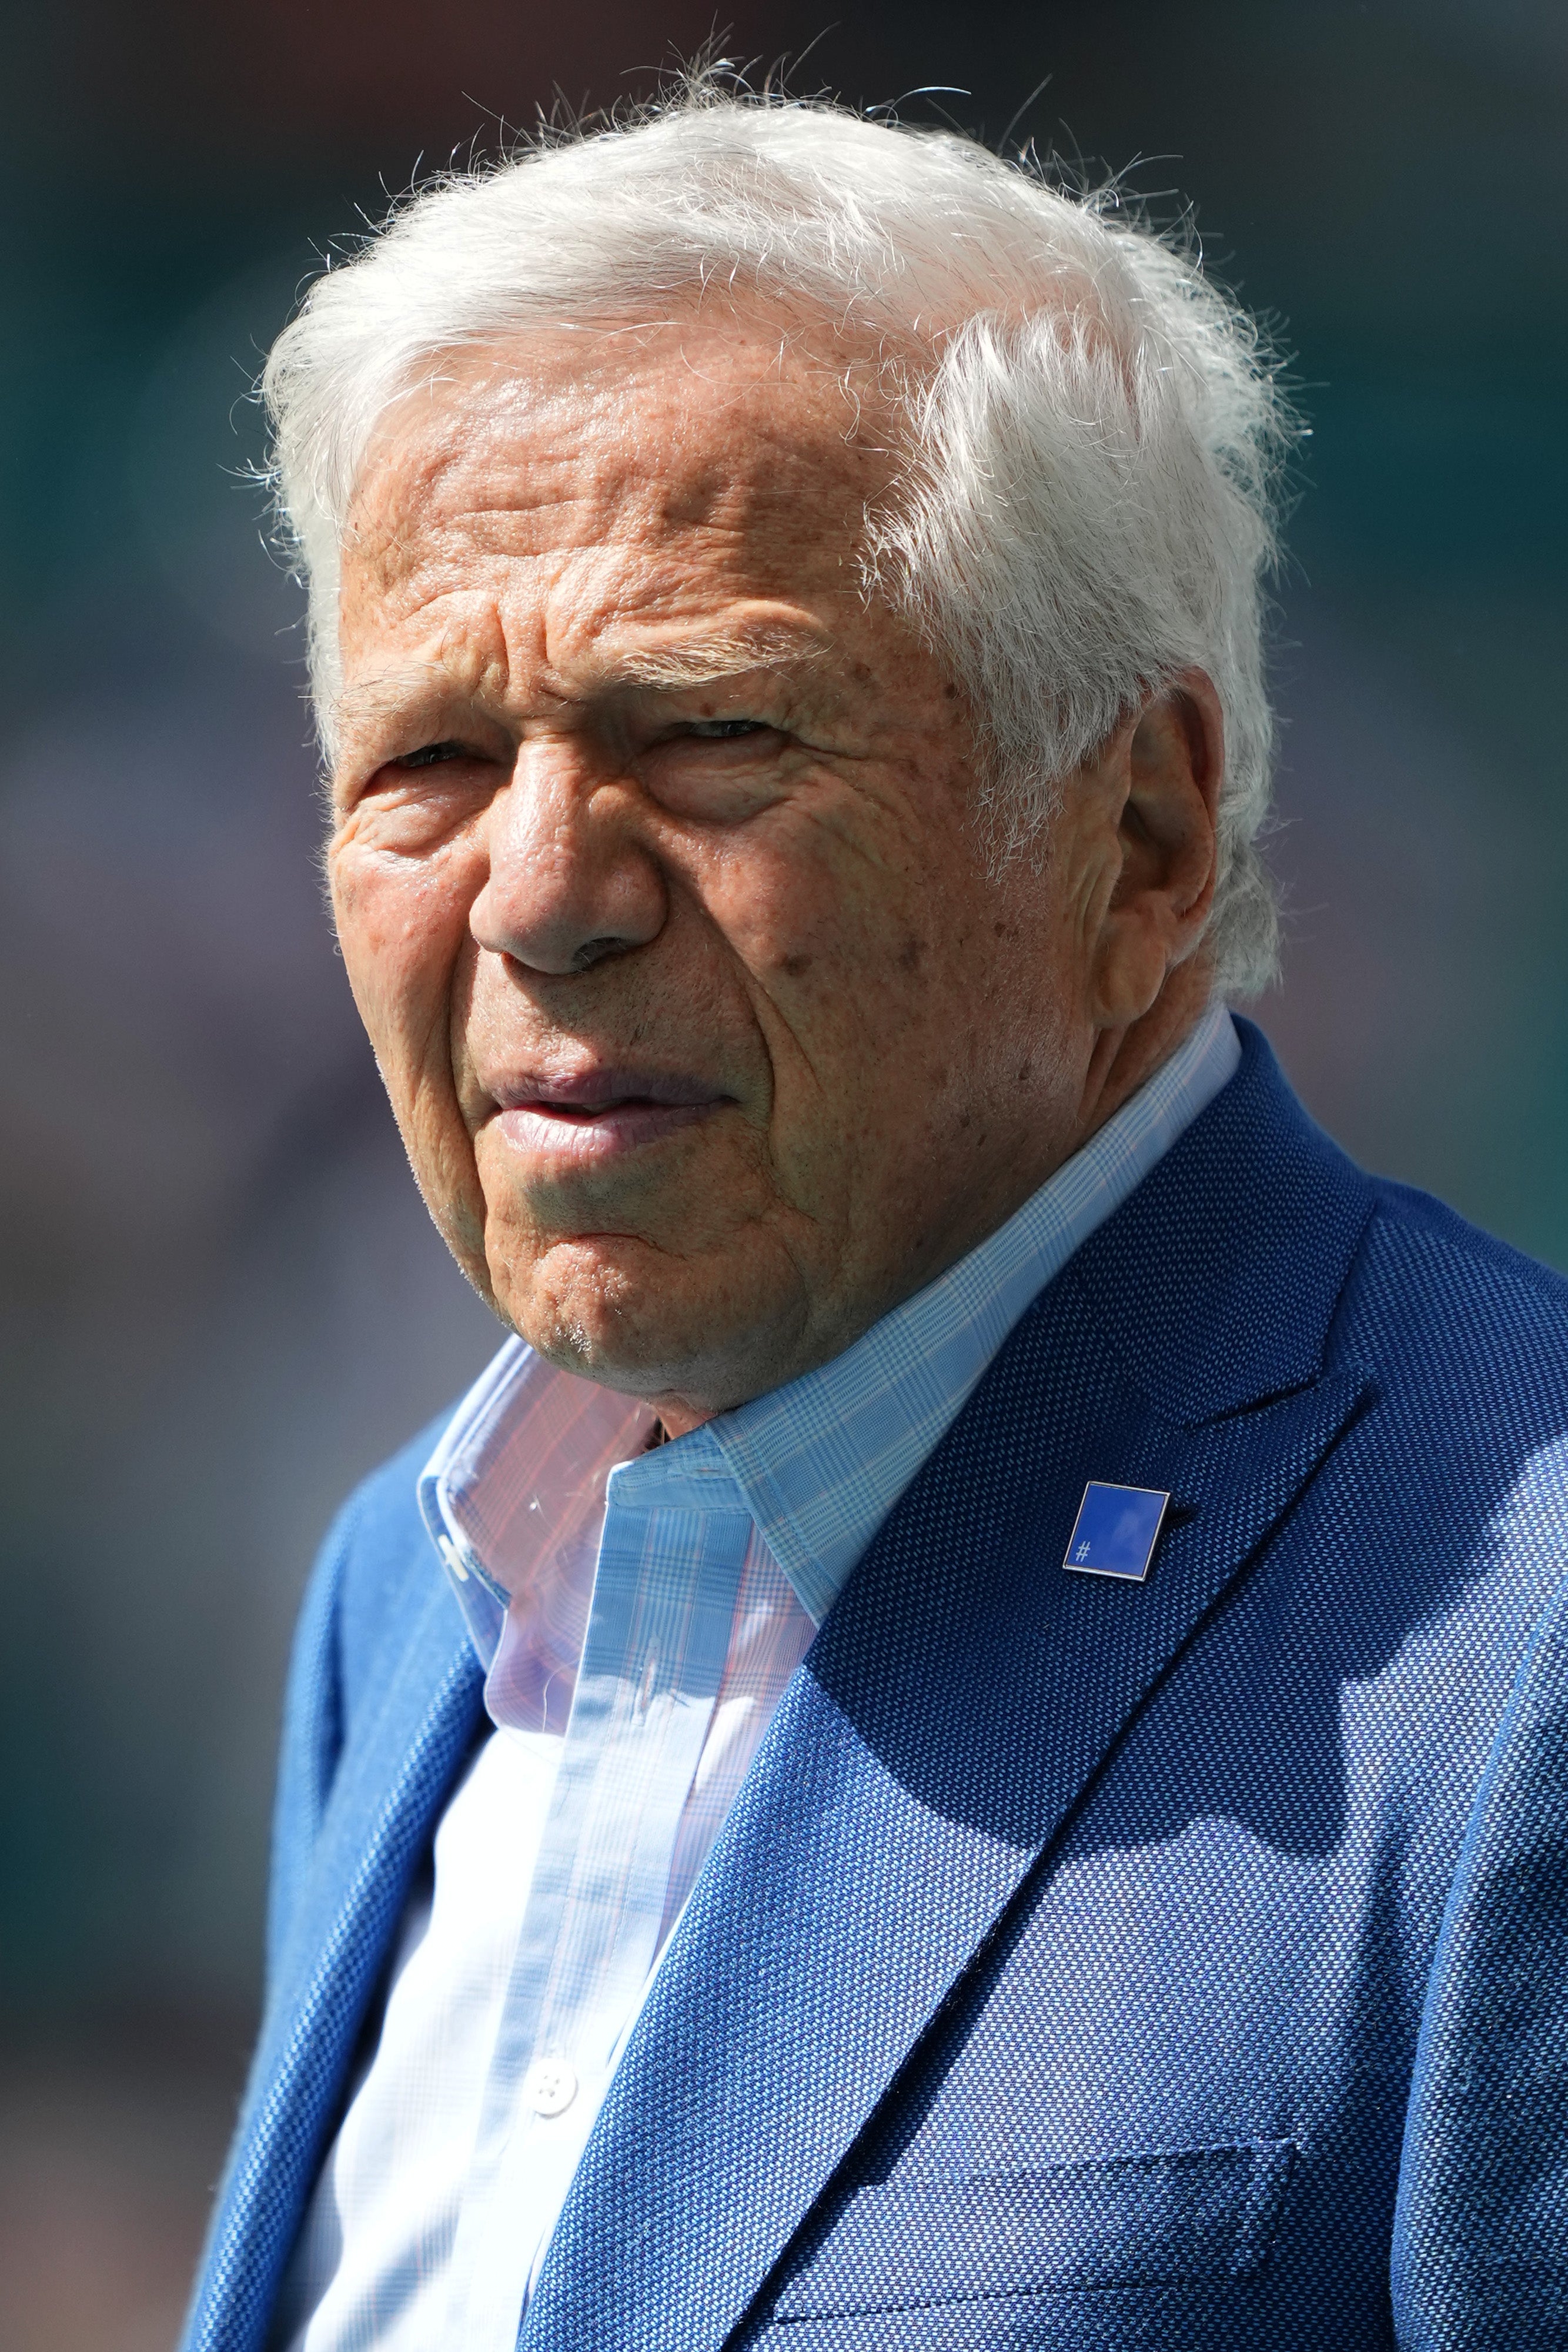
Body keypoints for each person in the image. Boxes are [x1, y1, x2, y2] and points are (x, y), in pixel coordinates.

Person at [182, 86, 1568, 2352]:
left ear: (1139, 833)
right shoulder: (414, 1593)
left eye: (713, 731)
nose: (539, 895)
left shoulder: (1522, 1645)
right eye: (427, 760)